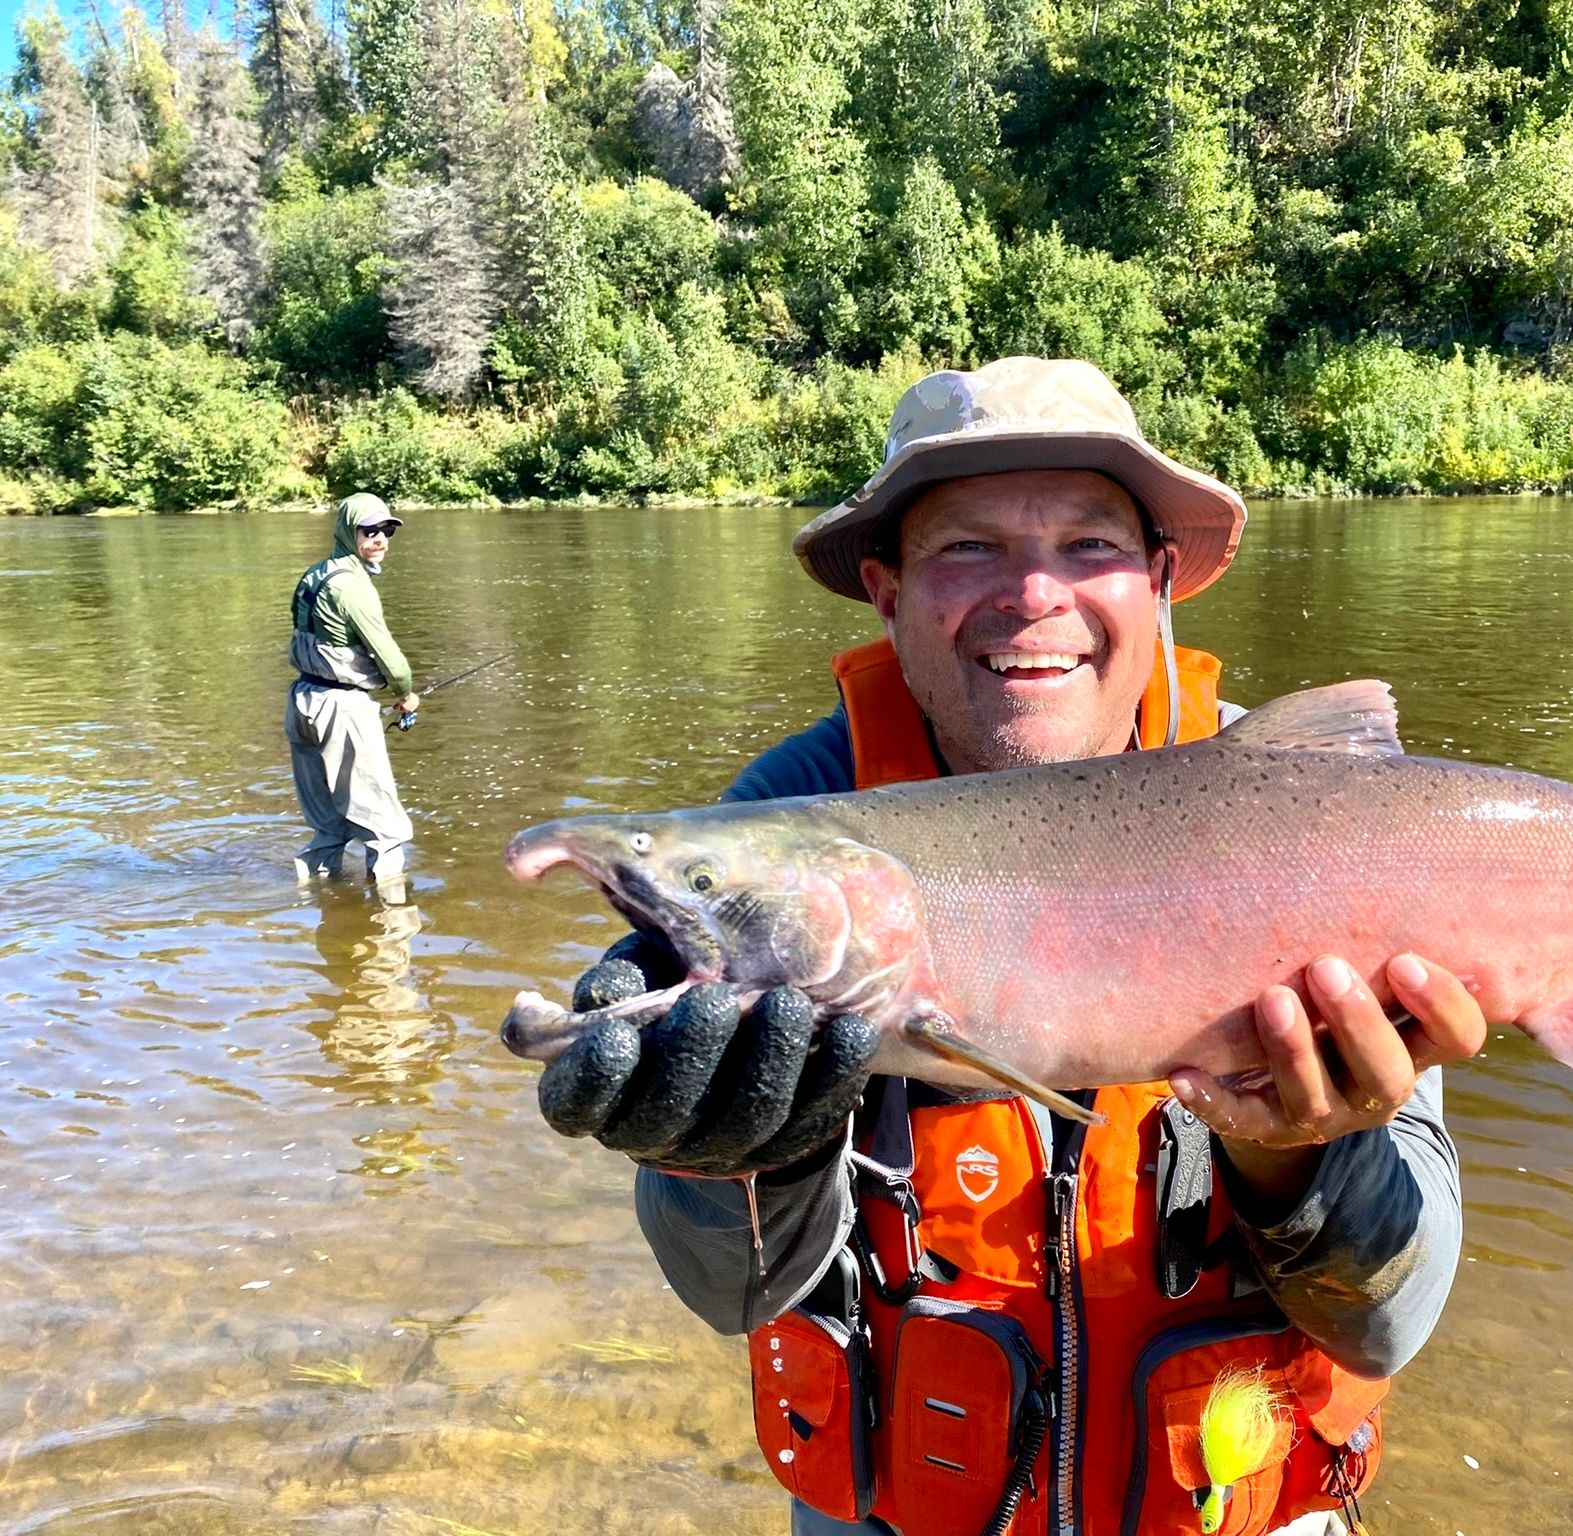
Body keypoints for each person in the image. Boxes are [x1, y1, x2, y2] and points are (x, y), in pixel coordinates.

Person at [536, 358, 1487, 1536]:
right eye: (966, 549)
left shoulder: (1314, 823)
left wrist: (1301, 1161)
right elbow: (728, 1293)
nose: (1032, 592)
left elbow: (1387, 1325)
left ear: (1157, 580)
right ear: (884, 594)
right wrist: (734, 1153)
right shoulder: (785, 836)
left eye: (1086, 546)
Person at [286, 491, 418, 899]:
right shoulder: (353, 588)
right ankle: (393, 922)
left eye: (387, 530)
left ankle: (320, 905)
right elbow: (389, 656)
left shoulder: (315, 574)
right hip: (341, 708)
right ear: (349, 531)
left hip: (303, 701)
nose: (380, 539)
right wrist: (406, 693)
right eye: (370, 530)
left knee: (329, 826)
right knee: (385, 829)